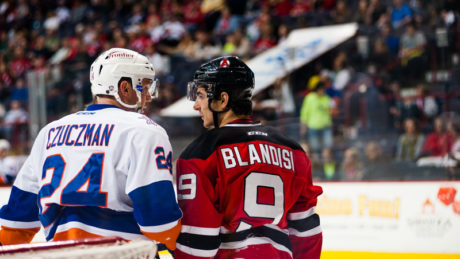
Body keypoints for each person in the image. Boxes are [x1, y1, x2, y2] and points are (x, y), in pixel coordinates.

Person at [0, 48, 182, 251]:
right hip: (122, 253)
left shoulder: (49, 131)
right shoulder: (144, 131)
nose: (148, 96)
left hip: (61, 255)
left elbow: (15, 224)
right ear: (124, 87)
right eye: (145, 86)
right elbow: (159, 225)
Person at [175, 56, 323, 259]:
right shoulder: (293, 150)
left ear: (222, 100)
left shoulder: (201, 154)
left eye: (200, 96)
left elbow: (199, 245)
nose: (196, 105)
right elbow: (306, 231)